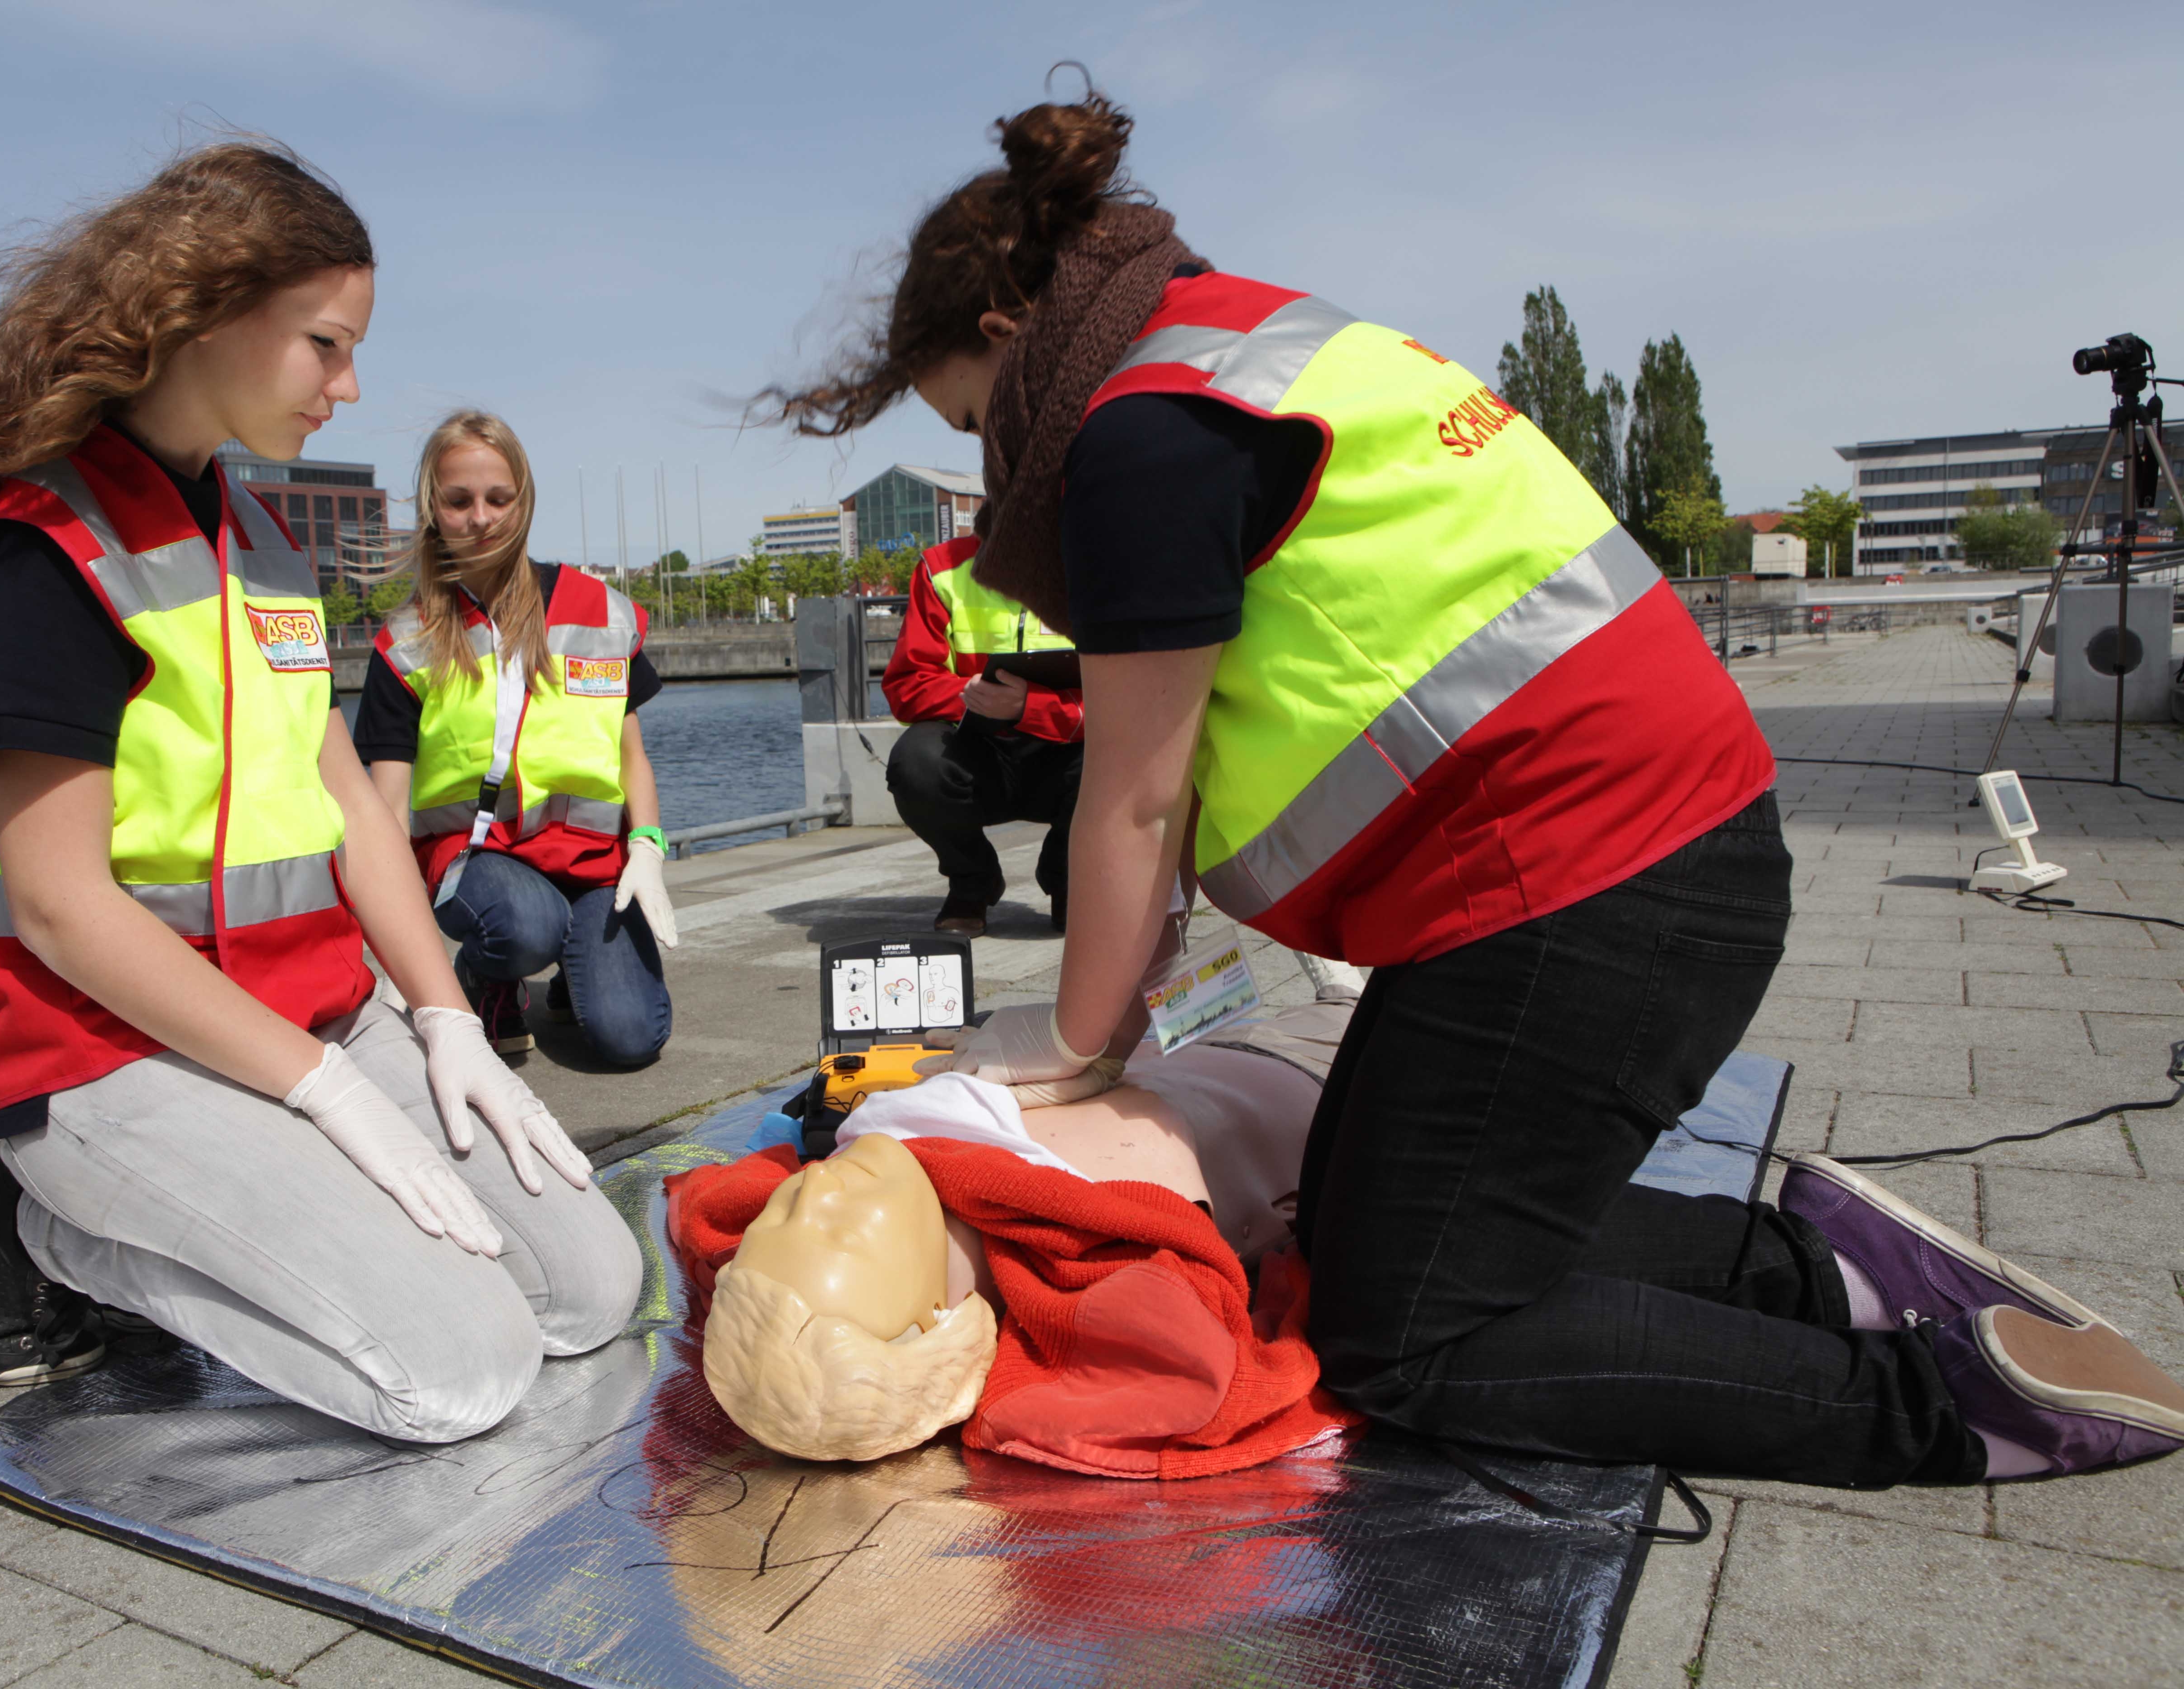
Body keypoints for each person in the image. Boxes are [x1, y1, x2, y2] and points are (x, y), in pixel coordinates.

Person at [761, 86, 2184, 1486]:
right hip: (1627, 854)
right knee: (1379, 1227)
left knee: (1406, 1335)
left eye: (971, 422)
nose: (993, 467)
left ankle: (1946, 1404)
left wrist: (1066, 1044)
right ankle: (1843, 1272)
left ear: (1011, 335)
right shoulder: (1251, 341)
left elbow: (1134, 799)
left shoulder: (1138, 434)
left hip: (1587, 887)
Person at [0, 143, 641, 1441]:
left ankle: (273, 1173)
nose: (350, 389)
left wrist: (441, 1017)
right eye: (325, 347)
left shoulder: (260, 539)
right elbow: (61, 908)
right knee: (455, 1376)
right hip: (106, 1058)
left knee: (589, 1294)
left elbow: (346, 796)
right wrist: (325, 1098)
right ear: (205, 314)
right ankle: (52, 1230)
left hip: (314, 1017)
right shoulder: (29, 558)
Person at [673, 998, 1356, 1473]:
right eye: (842, 1234)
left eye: (779, 1211)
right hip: (1315, 1064)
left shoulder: (896, 1152)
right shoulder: (1106, 1224)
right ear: (929, 1318)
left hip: (1212, 1041)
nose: (816, 1189)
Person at [354, 411, 676, 1066]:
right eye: (460, 500)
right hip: (477, 863)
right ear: (433, 509)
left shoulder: (600, 613)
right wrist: (387, 958)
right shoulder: (407, 642)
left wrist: (647, 847)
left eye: (499, 499)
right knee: (526, 926)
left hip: (591, 865)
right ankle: (489, 973)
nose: (482, 518)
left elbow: (629, 753)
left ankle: (575, 974)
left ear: (524, 502)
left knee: (630, 1040)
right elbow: (383, 810)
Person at [880, 533, 1082, 935]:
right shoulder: (941, 568)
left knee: (1122, 759)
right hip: (976, 747)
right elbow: (908, 684)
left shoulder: (1107, 561)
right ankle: (973, 881)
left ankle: (1071, 881)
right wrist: (984, 700)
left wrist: (1032, 707)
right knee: (916, 764)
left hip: (1070, 750)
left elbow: (1126, 695)